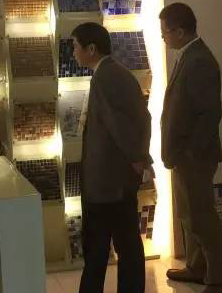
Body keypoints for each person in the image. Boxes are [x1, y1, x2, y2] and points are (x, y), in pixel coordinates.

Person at [71, 22, 152, 293]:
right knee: (126, 242)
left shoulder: (105, 77)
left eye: (76, 46)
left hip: (107, 180)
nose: (73, 52)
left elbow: (119, 124)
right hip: (116, 177)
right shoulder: (117, 73)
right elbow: (141, 118)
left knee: (99, 248)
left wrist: (137, 157)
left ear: (91, 49)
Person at [159, 2, 222, 293]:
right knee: (189, 215)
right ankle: (197, 267)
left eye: (165, 32)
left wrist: (191, 151)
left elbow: (210, 113)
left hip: (195, 156)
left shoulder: (199, 60)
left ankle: (217, 279)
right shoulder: (188, 56)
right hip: (184, 154)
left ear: (179, 31)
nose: (163, 38)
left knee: (202, 217)